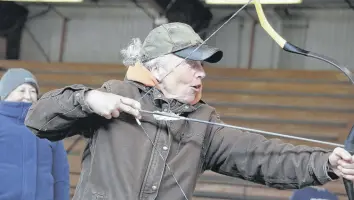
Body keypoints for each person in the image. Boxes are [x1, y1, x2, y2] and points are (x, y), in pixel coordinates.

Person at [25, 22, 354, 200]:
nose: (202, 72)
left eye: (202, 64)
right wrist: (87, 99)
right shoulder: (116, 94)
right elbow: (38, 120)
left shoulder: (203, 121)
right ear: (160, 67)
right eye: (193, 63)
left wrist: (325, 163)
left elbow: (262, 156)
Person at [0, 68, 70, 200]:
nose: (28, 96)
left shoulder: (49, 126)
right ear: (5, 93)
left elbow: (61, 176)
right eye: (21, 90)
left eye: (33, 91)